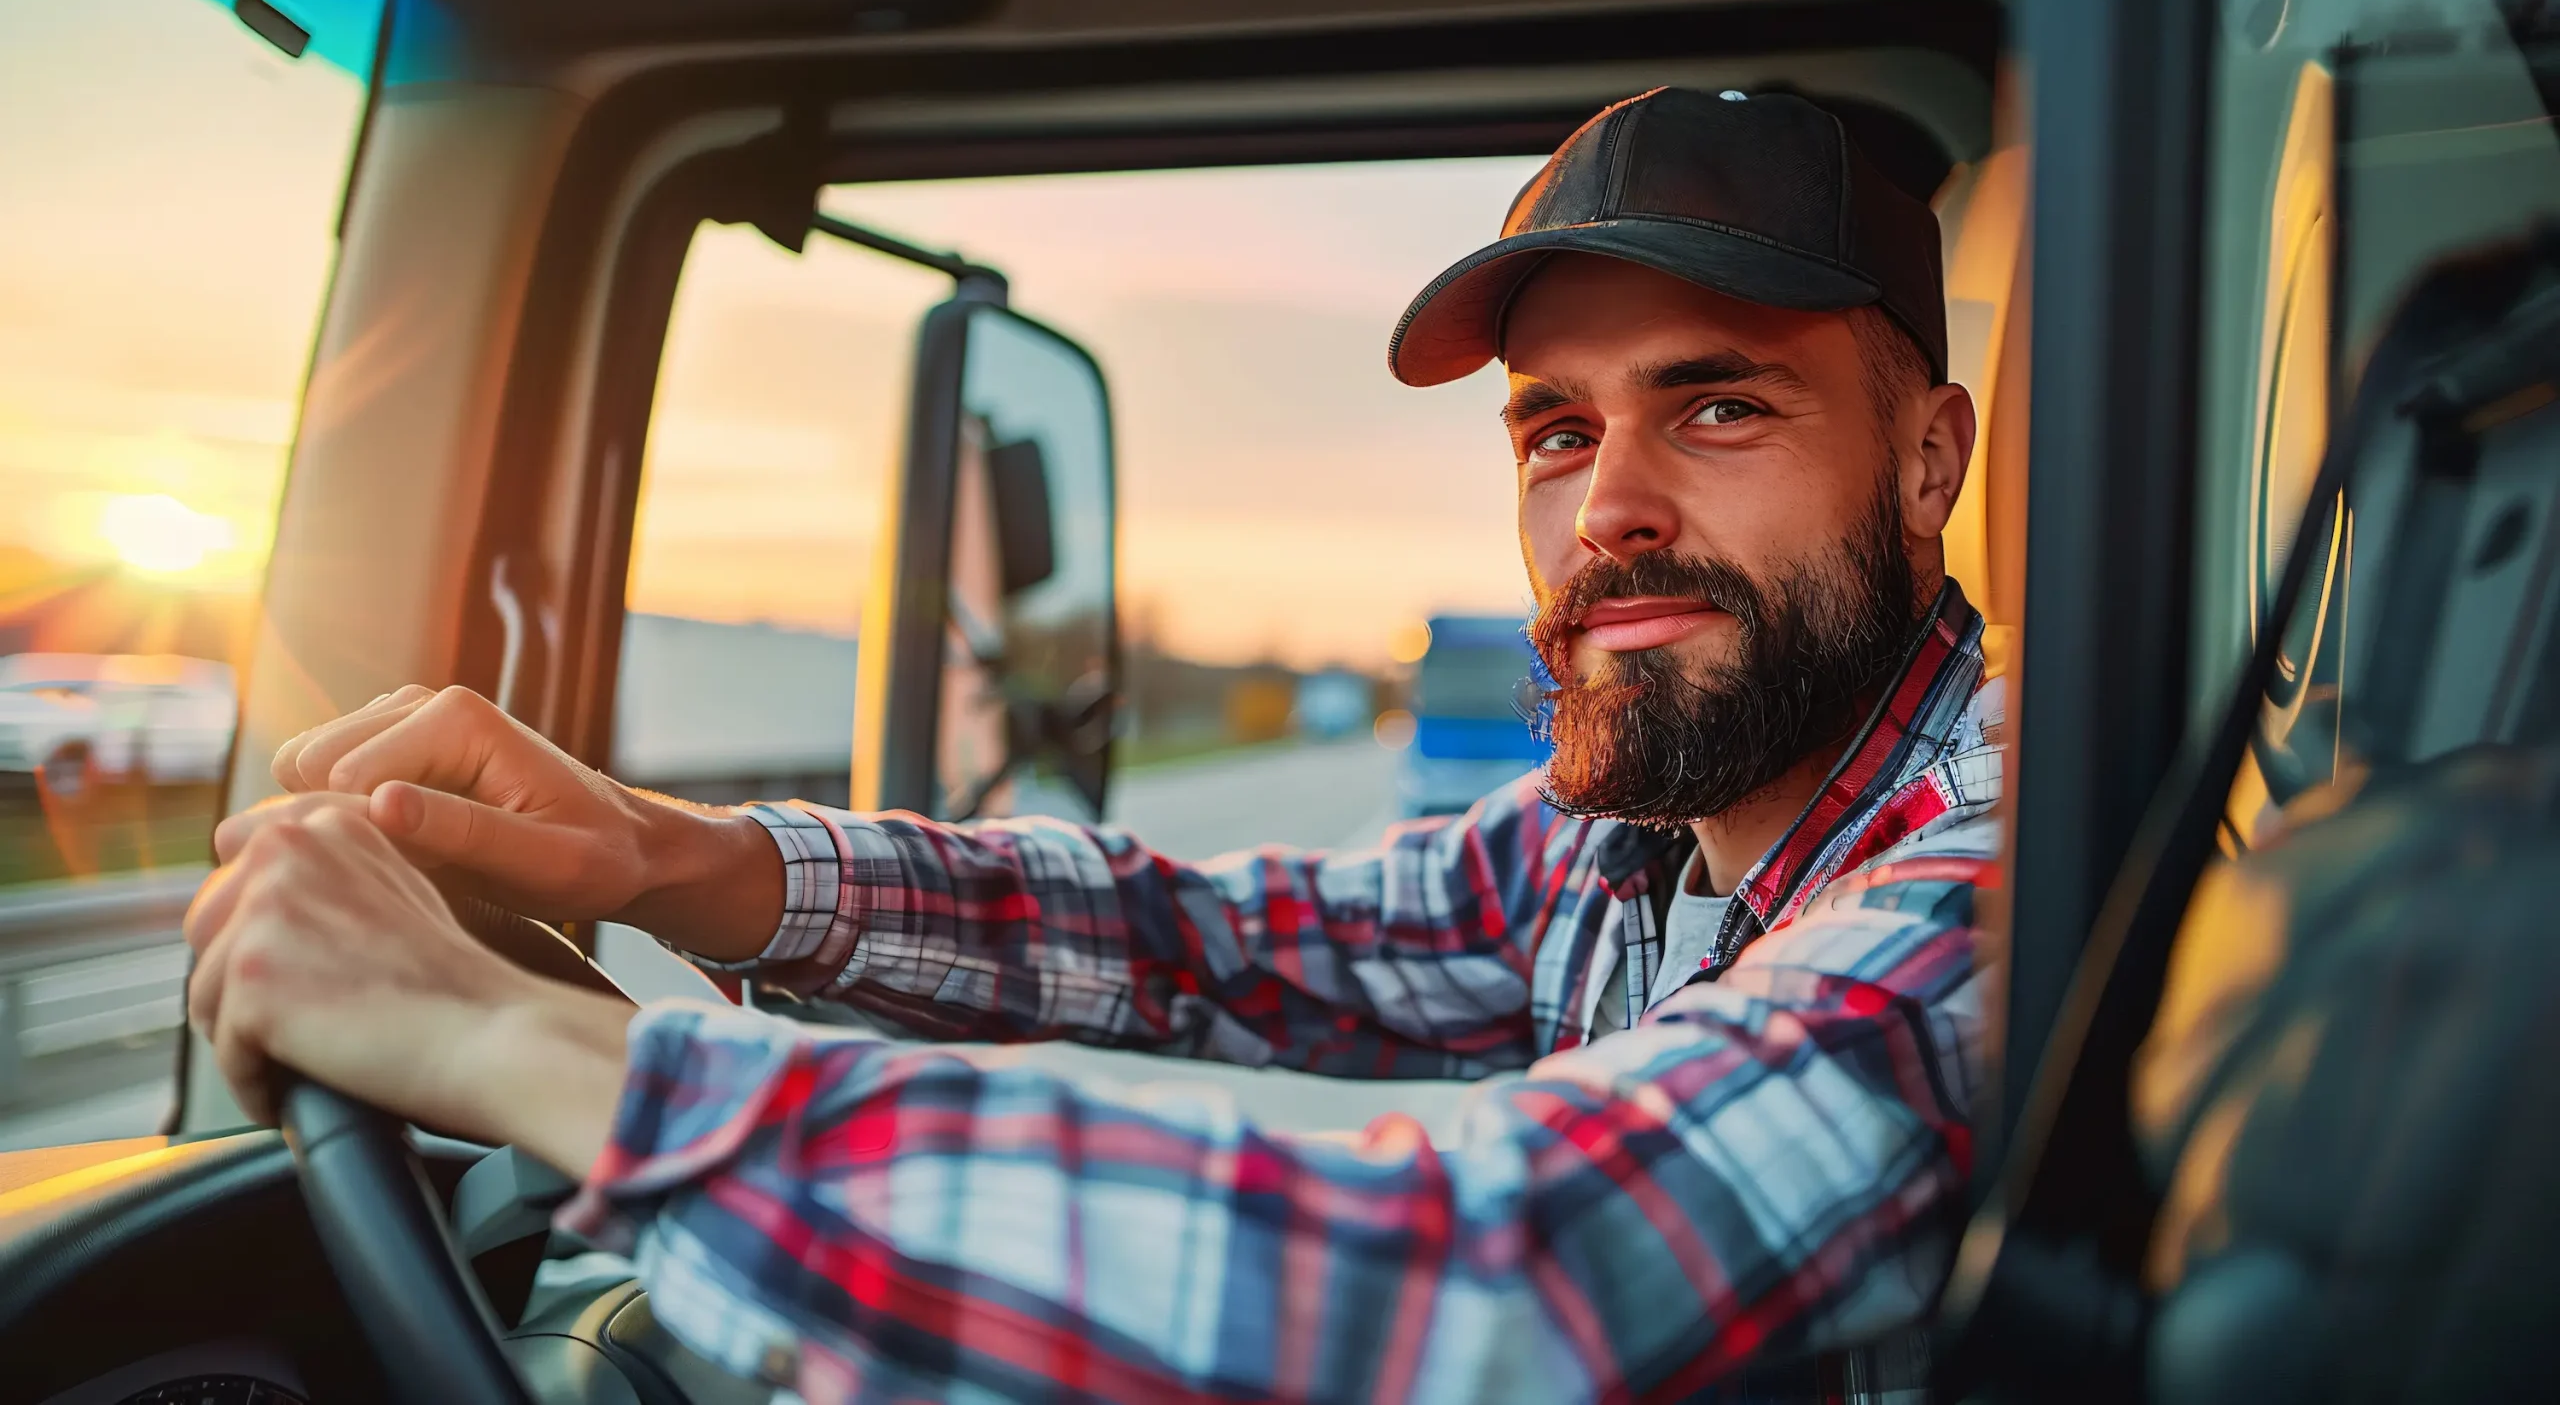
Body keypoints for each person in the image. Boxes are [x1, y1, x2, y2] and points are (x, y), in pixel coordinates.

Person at [185, 88, 1999, 1403]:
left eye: (1723, 405)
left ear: (1928, 459)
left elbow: (1490, 1280)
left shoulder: (1991, 885)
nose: (1609, 504)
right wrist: (681, 862)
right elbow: (1202, 940)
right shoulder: (1632, 841)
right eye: (1552, 432)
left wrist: (507, 1035)